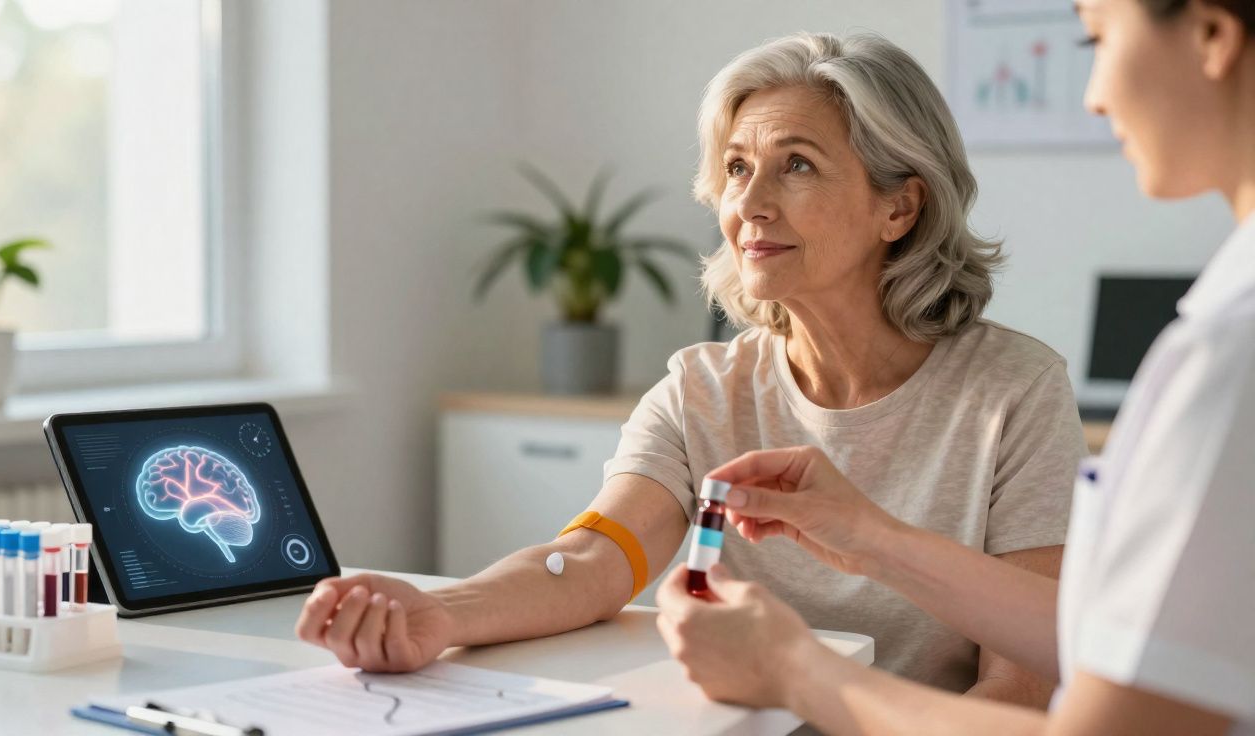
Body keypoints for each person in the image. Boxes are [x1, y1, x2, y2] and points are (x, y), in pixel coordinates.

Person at [296, 32, 1088, 703]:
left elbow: (1020, 682)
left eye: (798, 165)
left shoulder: (1014, 392)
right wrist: (443, 613)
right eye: (738, 168)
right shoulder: (701, 389)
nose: (751, 204)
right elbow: (592, 564)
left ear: (900, 207)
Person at [655, 1, 1255, 733]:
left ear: (1212, 35)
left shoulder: (1228, 357)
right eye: (737, 169)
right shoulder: (1223, 333)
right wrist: (872, 539)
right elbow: (1110, 639)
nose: (1094, 95)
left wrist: (794, 670)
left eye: (1096, 38)